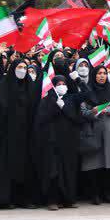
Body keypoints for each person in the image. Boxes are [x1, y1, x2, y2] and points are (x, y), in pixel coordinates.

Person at [0, 59, 38, 208]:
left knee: (26, 166)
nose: (23, 70)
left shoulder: (30, 86)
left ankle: (25, 198)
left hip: (26, 133)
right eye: (19, 67)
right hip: (9, 133)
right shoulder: (4, 86)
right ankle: (9, 198)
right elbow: (0, 109)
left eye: (25, 67)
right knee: (10, 166)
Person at [33, 75, 82, 210]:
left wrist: (64, 107)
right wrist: (55, 108)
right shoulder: (47, 100)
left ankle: (68, 199)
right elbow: (41, 119)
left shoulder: (71, 99)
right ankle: (52, 200)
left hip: (68, 142)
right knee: (53, 172)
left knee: (68, 171)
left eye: (63, 83)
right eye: (58, 83)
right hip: (52, 142)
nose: (61, 86)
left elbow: (77, 117)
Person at [79, 65, 110, 204]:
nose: (102, 76)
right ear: (94, 75)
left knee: (108, 165)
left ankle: (108, 194)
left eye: (104, 73)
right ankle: (95, 195)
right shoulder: (87, 91)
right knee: (94, 165)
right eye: (99, 73)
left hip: (109, 131)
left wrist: (107, 109)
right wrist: (93, 112)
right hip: (92, 131)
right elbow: (82, 111)